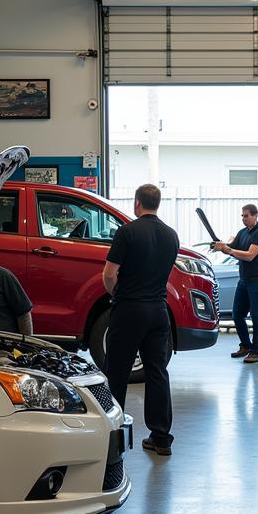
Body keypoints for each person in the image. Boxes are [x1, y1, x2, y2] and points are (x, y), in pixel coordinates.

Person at [102, 183, 179, 456]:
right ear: (157, 204)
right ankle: (161, 437)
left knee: (118, 372)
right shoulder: (171, 235)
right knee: (157, 372)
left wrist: (117, 294)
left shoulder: (127, 232)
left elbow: (110, 274)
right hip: (158, 311)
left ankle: (112, 436)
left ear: (137, 203)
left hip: (129, 310)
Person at [214, 204, 258, 364]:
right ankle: (245, 345)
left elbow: (249, 255)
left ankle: (255, 352)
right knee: (237, 315)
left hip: (257, 281)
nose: (244, 218)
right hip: (244, 281)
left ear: (255, 215)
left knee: (256, 317)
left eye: (246, 216)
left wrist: (228, 250)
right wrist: (220, 246)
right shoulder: (242, 233)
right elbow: (231, 247)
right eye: (242, 216)